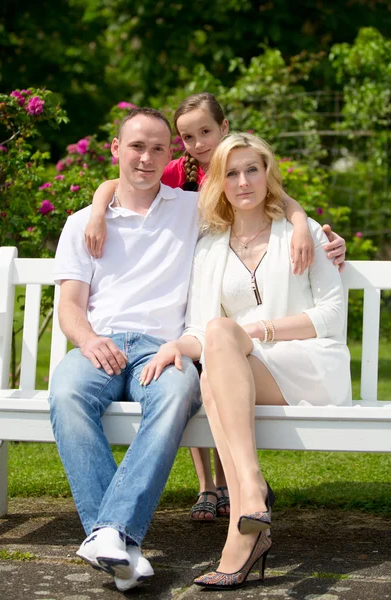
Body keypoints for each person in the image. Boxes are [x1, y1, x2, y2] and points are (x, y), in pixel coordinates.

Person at [83, 92, 347, 523]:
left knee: (216, 359)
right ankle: (224, 488)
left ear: (224, 129)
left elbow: (282, 201)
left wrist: (304, 226)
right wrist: (98, 211)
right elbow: (123, 181)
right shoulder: (182, 183)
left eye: (206, 132)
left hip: (285, 351)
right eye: (187, 136)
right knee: (201, 362)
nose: (198, 143)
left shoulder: (272, 201)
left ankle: (239, 486)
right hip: (227, 323)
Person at [138, 132, 352, 589]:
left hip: (308, 364)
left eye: (252, 169)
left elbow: (333, 317)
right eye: (231, 173)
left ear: (268, 173)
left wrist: (258, 331)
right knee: (215, 362)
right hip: (240, 366)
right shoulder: (210, 246)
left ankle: (247, 499)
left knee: (218, 364)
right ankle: (248, 518)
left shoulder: (305, 231)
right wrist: (176, 346)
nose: (243, 181)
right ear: (218, 182)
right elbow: (201, 328)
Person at [48, 107, 203, 592]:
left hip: (162, 349)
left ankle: (108, 534)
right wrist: (90, 340)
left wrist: (307, 224)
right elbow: (70, 305)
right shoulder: (81, 223)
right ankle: (118, 540)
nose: (147, 157)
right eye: (137, 145)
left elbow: (259, 200)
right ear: (116, 149)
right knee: (67, 392)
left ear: (171, 154)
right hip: (101, 343)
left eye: (159, 147)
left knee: (179, 392)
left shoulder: (190, 209)